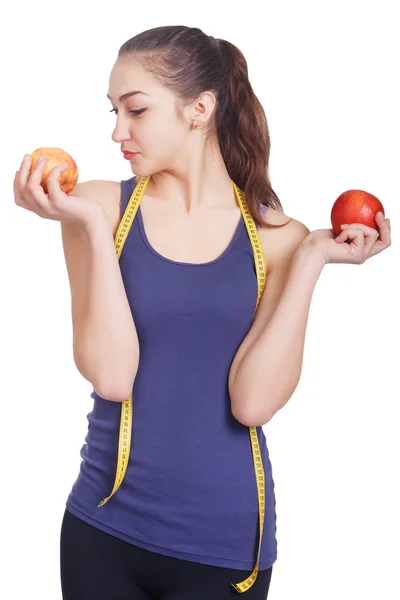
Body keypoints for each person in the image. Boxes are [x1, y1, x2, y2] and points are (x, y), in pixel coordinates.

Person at [13, 25, 391, 600]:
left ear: (199, 108)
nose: (117, 131)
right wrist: (89, 225)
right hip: (101, 531)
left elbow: (252, 403)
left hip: (223, 547)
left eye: (135, 110)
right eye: (113, 111)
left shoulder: (280, 240)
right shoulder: (95, 207)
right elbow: (112, 377)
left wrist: (313, 255)